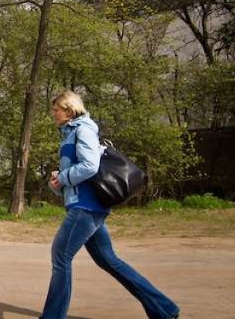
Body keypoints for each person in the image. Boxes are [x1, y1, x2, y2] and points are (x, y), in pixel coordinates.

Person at [40, 90, 180, 319]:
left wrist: (64, 177)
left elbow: (90, 166)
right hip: (86, 205)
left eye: (56, 109)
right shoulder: (69, 133)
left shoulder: (82, 129)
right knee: (109, 260)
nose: (53, 113)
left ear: (69, 109)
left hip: (86, 207)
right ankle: (164, 309)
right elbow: (78, 173)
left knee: (61, 257)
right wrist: (58, 181)